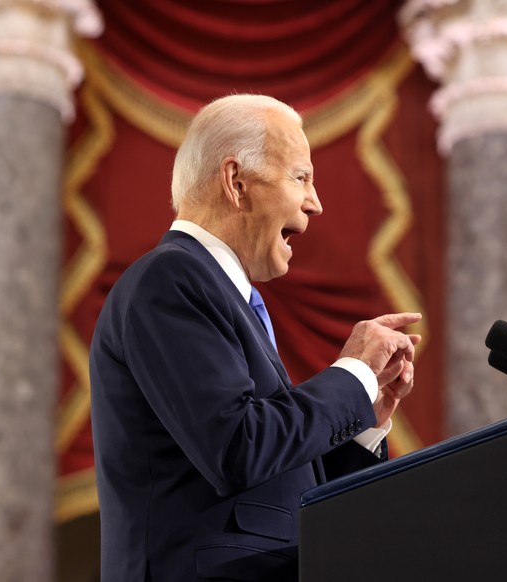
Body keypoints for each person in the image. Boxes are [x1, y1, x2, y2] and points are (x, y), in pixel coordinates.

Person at [89, 94, 422, 581]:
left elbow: (280, 483)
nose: (316, 202)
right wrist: (350, 376)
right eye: (301, 177)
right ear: (236, 182)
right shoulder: (171, 279)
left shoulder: (221, 293)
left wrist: (362, 423)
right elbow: (237, 448)